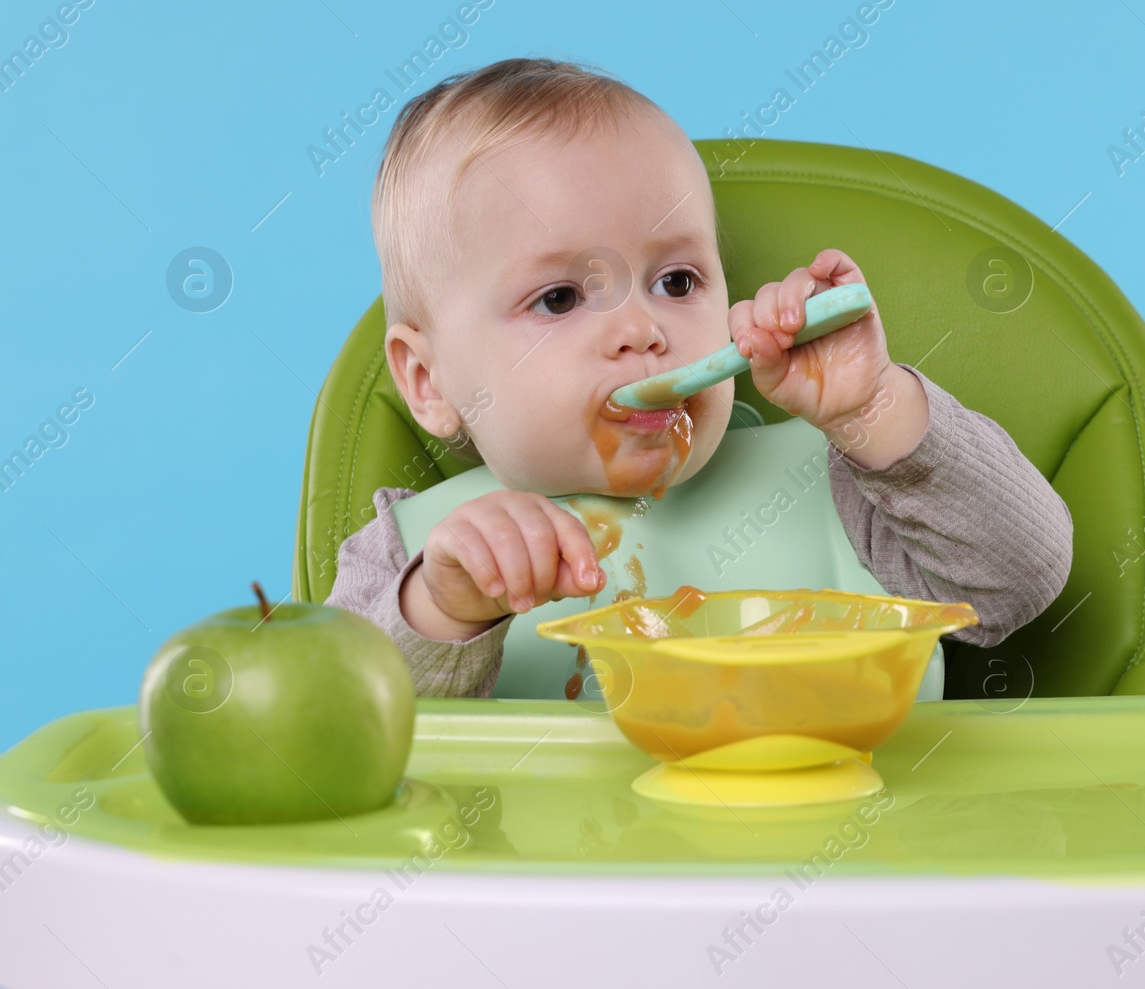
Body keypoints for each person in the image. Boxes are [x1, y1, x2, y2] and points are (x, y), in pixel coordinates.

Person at [325, 57, 1073, 698]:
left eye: (677, 282)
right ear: (428, 380)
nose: (642, 331)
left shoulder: (837, 488)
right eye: (558, 298)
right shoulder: (412, 558)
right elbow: (334, 729)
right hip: (550, 873)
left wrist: (872, 408)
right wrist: (444, 608)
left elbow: (1023, 577)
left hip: (852, 860)